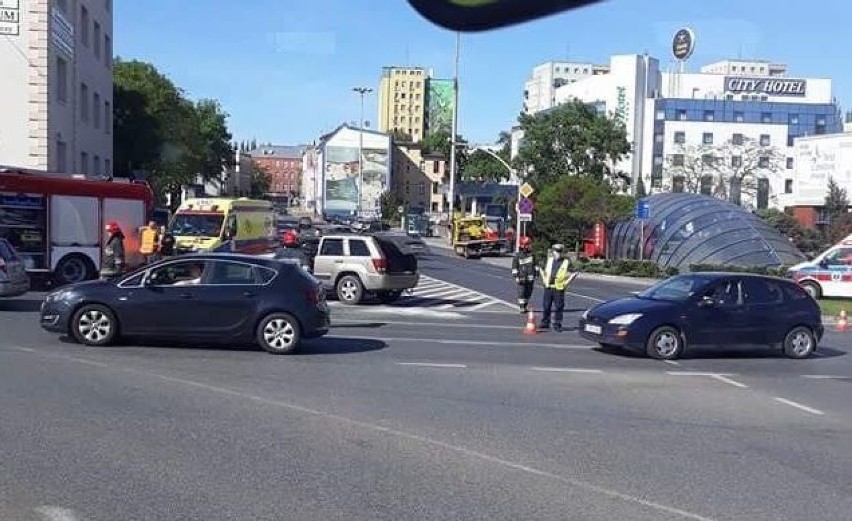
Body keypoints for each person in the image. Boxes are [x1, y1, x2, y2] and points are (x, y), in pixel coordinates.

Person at [537, 243, 576, 332]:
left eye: (559, 252)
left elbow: (574, 273)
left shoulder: (566, 262)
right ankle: (545, 322)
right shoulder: (549, 260)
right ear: (553, 252)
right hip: (548, 286)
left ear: (562, 252)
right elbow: (541, 269)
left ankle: (557, 324)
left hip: (559, 288)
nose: (558, 254)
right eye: (556, 252)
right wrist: (544, 279)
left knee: (559, 307)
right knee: (546, 306)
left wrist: (566, 283)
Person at [511, 236, 536, 314]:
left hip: (530, 279)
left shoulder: (532, 255)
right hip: (521, 278)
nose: (530, 246)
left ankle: (525, 306)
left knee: (528, 293)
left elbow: (535, 265)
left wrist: (537, 272)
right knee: (521, 292)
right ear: (524, 246)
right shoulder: (518, 256)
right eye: (528, 244)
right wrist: (516, 277)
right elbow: (514, 268)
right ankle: (522, 307)